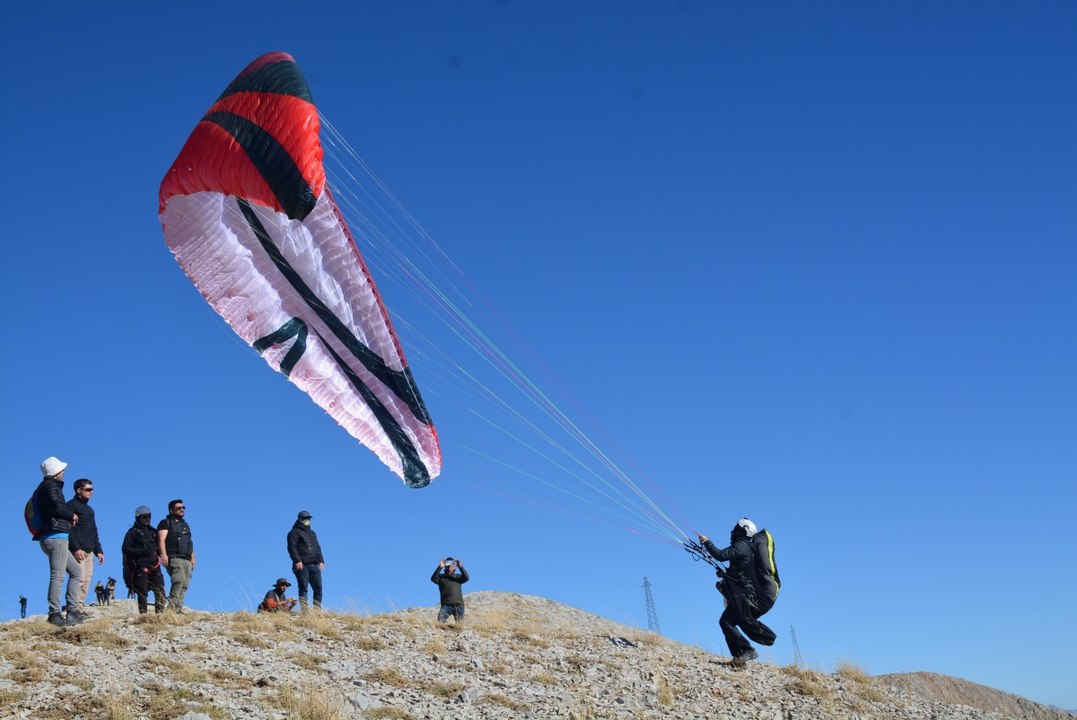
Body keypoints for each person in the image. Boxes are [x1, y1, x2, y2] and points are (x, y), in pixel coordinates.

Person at [699, 518, 777, 666]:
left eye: (735, 528)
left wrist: (707, 542)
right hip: (747, 597)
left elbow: (720, 555)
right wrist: (726, 574)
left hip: (748, 598)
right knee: (726, 622)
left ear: (742, 530)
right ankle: (739, 660)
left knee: (726, 622)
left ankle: (747, 651)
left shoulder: (741, 546)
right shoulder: (745, 547)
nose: (732, 531)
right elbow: (742, 571)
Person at [31, 457, 84, 627]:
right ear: (55, 472)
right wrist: (71, 515)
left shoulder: (46, 487)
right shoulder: (50, 486)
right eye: (61, 470)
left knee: (75, 571)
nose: (64, 472)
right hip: (55, 536)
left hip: (54, 537)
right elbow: (55, 506)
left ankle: (73, 611)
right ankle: (54, 613)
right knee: (58, 575)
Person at [66, 478, 105, 609]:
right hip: (78, 550)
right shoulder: (71, 505)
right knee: (79, 578)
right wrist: (76, 548)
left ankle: (80, 605)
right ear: (79, 490)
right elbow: (68, 529)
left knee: (87, 579)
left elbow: (93, 530)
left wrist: (99, 550)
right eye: (88, 489)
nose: (91, 492)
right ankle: (72, 606)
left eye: (92, 489)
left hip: (89, 550)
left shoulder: (90, 510)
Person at [122, 506, 166, 614]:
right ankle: (143, 616)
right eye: (144, 517)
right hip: (140, 566)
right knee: (142, 592)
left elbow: (161, 546)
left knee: (160, 590)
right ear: (138, 517)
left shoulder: (154, 532)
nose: (147, 519)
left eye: (149, 517)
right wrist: (142, 551)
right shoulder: (132, 532)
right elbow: (125, 548)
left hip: (155, 565)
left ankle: (160, 615)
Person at [157, 498, 195, 612]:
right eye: (178, 508)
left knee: (185, 583)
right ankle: (171, 607)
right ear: (171, 510)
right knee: (178, 579)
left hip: (186, 558)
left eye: (183, 508)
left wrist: (193, 558)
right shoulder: (165, 522)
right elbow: (161, 539)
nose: (182, 510)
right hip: (173, 556)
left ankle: (177, 608)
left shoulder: (185, 525)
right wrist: (163, 554)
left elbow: (189, 541)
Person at [286, 511, 324, 610]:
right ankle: (305, 611)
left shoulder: (312, 533)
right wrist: (297, 560)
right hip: (302, 565)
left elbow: (317, 547)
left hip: (314, 565)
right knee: (303, 588)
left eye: (309, 518)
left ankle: (317, 611)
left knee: (318, 589)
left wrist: (321, 561)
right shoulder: (293, 533)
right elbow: (292, 548)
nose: (307, 520)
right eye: (305, 518)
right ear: (300, 519)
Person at [431, 557, 469, 624]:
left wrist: (460, 567)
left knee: (460, 625)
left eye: (452, 563)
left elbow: (466, 578)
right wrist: (440, 567)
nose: (449, 565)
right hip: (446, 605)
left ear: (454, 566)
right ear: (445, 565)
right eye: (447, 563)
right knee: (440, 622)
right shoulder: (441, 578)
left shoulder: (458, 577)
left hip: (458, 604)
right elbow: (433, 579)